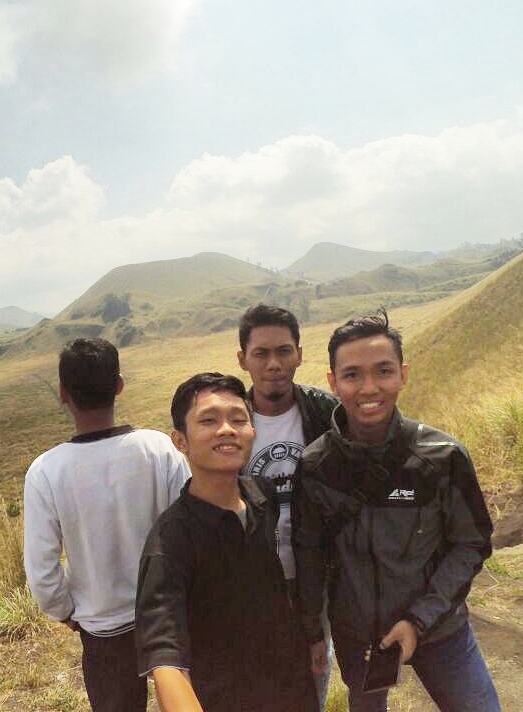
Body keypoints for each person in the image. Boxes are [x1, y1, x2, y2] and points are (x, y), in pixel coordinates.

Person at [294, 311, 502, 712]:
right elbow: (310, 556)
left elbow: (471, 544)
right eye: (352, 375)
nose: (369, 387)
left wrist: (418, 620)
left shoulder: (441, 457)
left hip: (441, 630)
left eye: (383, 371)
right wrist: (313, 633)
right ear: (333, 382)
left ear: (403, 375)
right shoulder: (316, 466)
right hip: (358, 638)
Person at [24, 338, 190, 712]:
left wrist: (65, 611)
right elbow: (189, 530)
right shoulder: (159, 449)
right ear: (119, 385)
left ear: (63, 393)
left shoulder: (46, 471)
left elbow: (42, 571)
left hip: (102, 627)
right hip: (167, 613)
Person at [136, 372, 318, 712]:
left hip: (292, 686)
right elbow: (166, 659)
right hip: (226, 697)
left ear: (252, 431)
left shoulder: (261, 494)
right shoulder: (170, 542)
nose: (227, 429)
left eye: (238, 419)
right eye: (208, 420)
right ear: (180, 440)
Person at [236, 304, 339, 705]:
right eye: (261, 353)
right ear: (242, 359)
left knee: (314, 674)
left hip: (318, 574)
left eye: (284, 351)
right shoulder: (231, 421)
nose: (274, 364)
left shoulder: (328, 414)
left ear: (299, 354)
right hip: (254, 578)